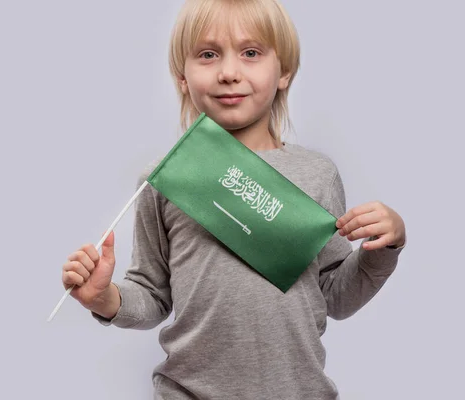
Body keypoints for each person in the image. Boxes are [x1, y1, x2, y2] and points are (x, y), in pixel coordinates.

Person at [61, 0, 407, 398]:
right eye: (208, 55)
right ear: (182, 78)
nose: (229, 73)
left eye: (251, 53)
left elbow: (335, 297)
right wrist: (105, 299)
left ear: (285, 72)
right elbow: (153, 295)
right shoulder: (167, 179)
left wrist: (385, 247)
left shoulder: (317, 175)